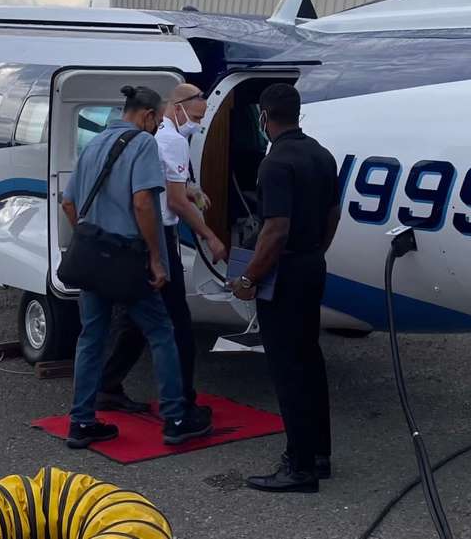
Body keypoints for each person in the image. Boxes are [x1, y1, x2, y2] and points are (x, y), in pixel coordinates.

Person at [61, 85, 213, 449]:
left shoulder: (94, 144)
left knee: (92, 338)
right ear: (147, 115)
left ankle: (81, 422)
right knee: (161, 332)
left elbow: (68, 202)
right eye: (157, 120)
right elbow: (144, 202)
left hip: (92, 257)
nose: (157, 126)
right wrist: (155, 258)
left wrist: (88, 233)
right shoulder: (143, 144)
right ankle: (176, 418)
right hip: (127, 257)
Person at [232, 83, 341, 493]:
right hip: (312, 265)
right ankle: (319, 454)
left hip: (286, 273)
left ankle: (299, 467)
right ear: (298, 113)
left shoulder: (274, 163)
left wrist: (249, 278)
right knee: (310, 360)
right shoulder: (321, 154)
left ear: (264, 117)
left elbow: (275, 229)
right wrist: (315, 251)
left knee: (287, 370)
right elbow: (333, 213)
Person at [98, 84, 228, 416]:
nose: (197, 125)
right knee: (176, 324)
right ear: (177, 107)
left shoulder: (152, 138)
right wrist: (209, 235)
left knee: (134, 320)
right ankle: (182, 403)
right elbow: (173, 201)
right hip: (159, 235)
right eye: (196, 118)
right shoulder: (172, 140)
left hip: (136, 235)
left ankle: (106, 385)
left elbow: (169, 186)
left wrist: (191, 190)